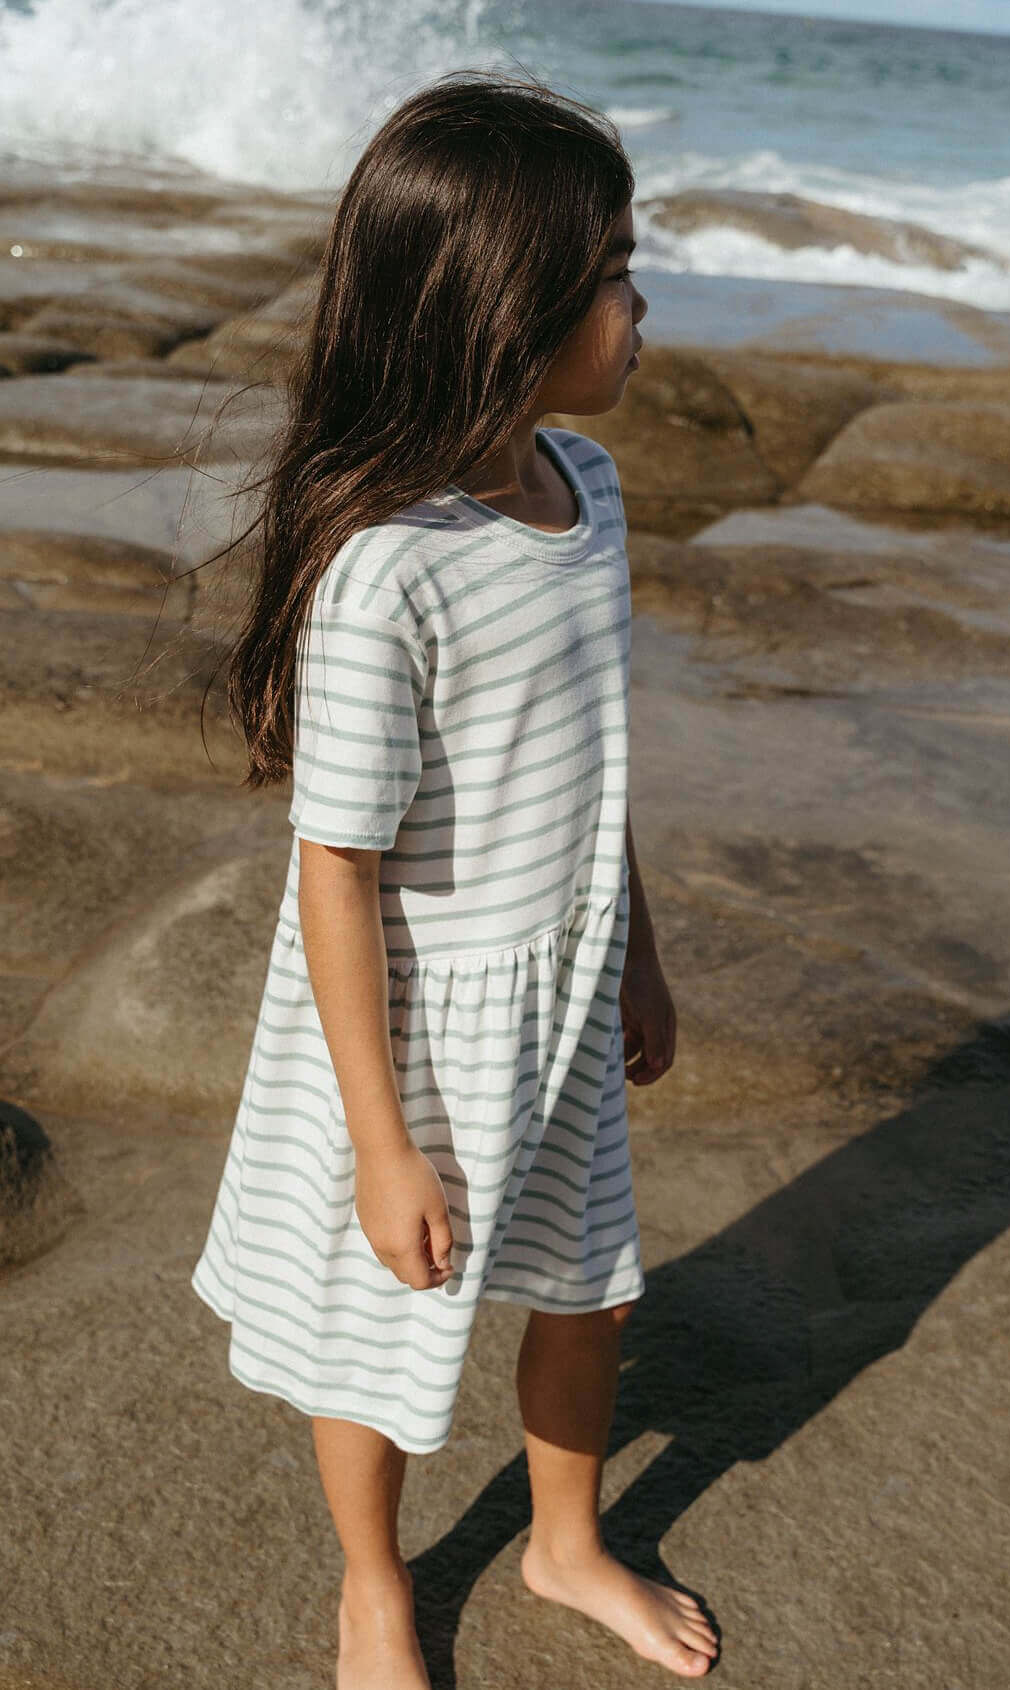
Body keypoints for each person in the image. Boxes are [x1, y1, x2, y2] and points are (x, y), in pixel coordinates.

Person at [189, 69, 720, 1688]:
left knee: (590, 1286)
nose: (643, 308)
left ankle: (563, 1540)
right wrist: (379, 1139)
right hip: (415, 1026)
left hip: (563, 982)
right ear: (507, 306)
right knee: (382, 1327)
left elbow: (596, 758)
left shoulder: (589, 492)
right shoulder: (389, 567)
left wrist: (636, 949)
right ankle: (374, 1582)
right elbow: (337, 868)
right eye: (615, 273)